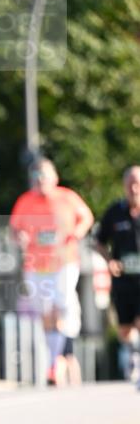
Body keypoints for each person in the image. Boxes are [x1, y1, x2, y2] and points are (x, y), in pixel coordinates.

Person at [10, 158, 93, 385]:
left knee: (62, 302)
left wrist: (76, 232)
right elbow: (14, 230)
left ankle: (56, 362)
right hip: (36, 265)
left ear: (54, 178)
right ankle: (56, 360)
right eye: (36, 177)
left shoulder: (67, 197)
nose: (40, 181)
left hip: (64, 262)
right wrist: (20, 238)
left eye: (44, 176)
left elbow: (86, 217)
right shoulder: (25, 201)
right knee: (45, 313)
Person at [94, 165, 140, 382]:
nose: (134, 188)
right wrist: (109, 261)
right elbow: (99, 242)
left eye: (138, 183)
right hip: (123, 280)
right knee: (125, 328)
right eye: (130, 183)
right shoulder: (115, 212)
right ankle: (132, 354)